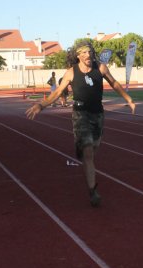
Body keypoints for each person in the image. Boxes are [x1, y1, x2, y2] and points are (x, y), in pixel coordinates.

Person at [26, 41, 136, 207]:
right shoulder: (71, 73)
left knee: (93, 148)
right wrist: (41, 105)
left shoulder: (101, 68)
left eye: (89, 52)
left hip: (98, 114)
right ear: (78, 56)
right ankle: (93, 191)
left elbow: (114, 83)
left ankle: (83, 149)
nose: (87, 55)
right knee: (88, 152)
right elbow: (57, 92)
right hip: (80, 114)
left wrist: (128, 99)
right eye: (83, 53)